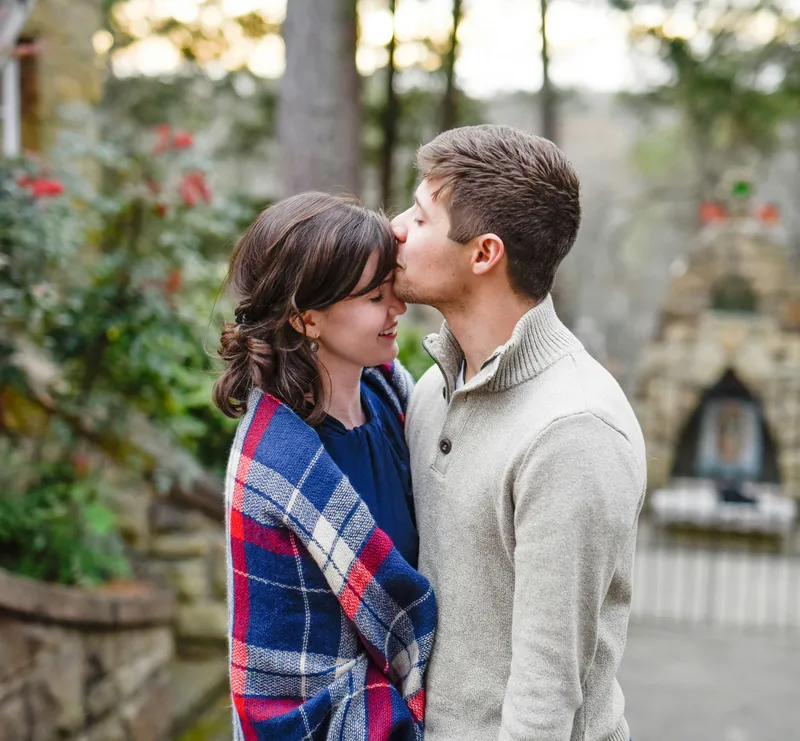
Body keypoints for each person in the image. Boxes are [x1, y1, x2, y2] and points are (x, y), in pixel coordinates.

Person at [391, 124, 647, 741]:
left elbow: (545, 696)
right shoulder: (432, 389)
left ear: (484, 253)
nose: (396, 226)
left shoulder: (573, 431)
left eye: (421, 218)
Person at [213, 192, 436, 740]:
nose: (398, 309)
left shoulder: (398, 399)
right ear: (305, 317)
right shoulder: (273, 464)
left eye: (394, 287)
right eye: (374, 296)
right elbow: (282, 686)